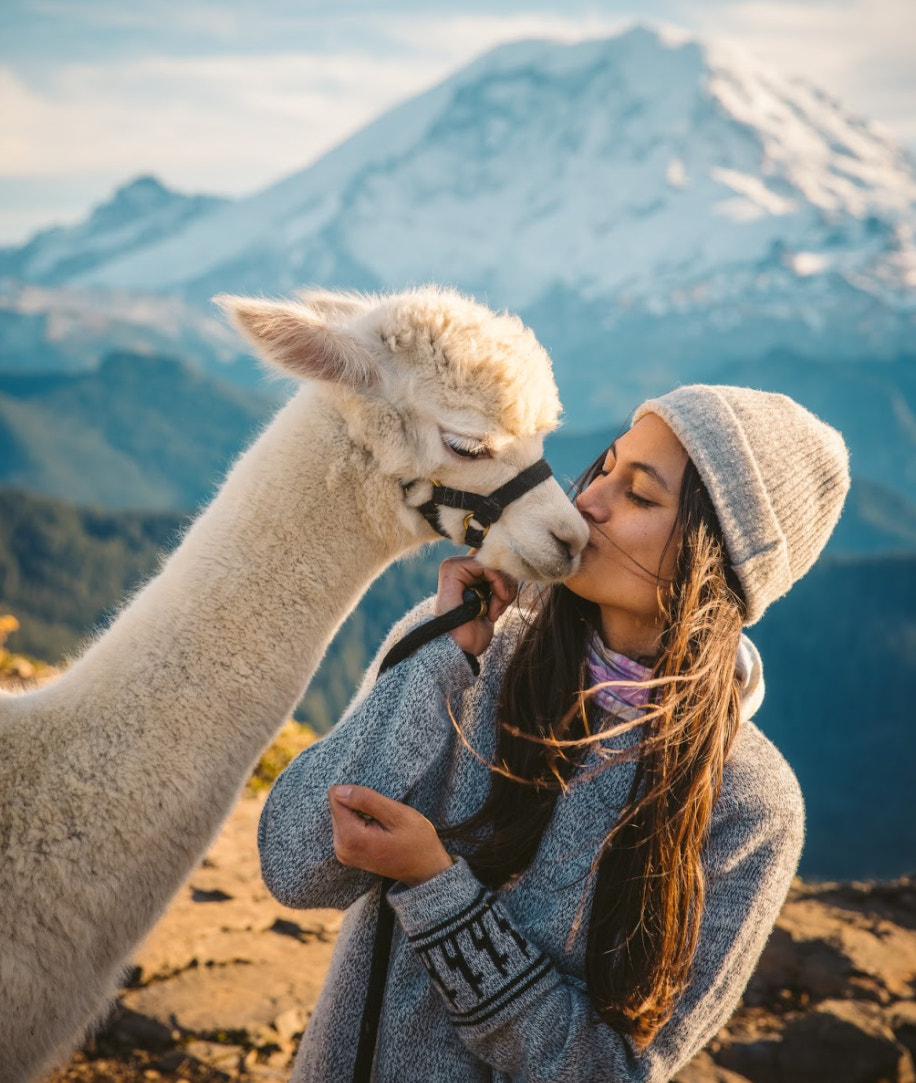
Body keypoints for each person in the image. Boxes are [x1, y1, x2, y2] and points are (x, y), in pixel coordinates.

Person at [258, 384, 850, 1082]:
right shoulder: (471, 651)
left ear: (715, 558)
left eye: (640, 495)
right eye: (603, 469)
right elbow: (293, 865)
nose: (586, 503)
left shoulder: (749, 802)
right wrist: (443, 660)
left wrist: (437, 890)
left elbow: (614, 1070)